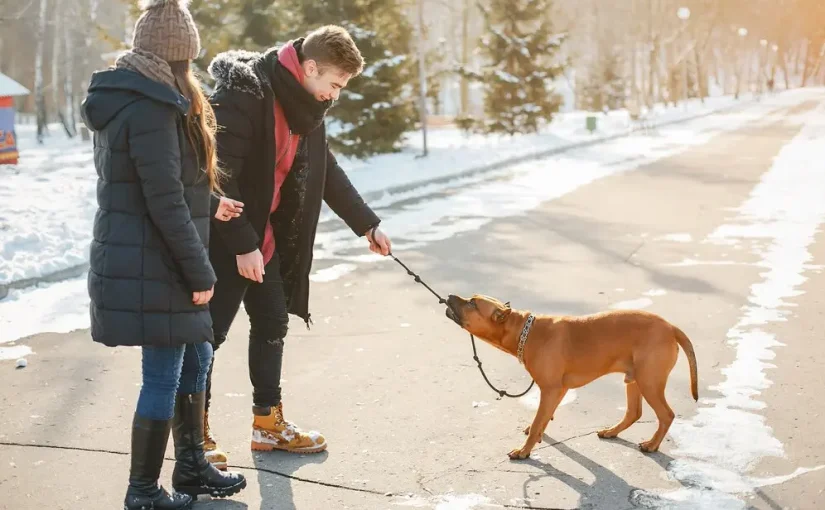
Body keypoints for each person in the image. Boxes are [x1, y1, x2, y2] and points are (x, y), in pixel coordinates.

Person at [201, 24, 392, 468]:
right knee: (206, 338)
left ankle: (268, 425)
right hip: (222, 235)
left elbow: (326, 170)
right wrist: (242, 244)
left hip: (265, 237)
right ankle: (196, 435)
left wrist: (367, 224)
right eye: (334, 84)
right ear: (309, 67)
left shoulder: (306, 105)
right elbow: (217, 176)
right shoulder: (245, 94)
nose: (335, 95)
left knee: (271, 324)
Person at [80, 1, 248, 507]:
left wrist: (212, 203)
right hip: (156, 260)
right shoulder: (152, 106)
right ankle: (143, 491)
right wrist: (199, 269)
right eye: (188, 59)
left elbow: (155, 181)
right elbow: (162, 198)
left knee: (197, 352)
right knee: (164, 371)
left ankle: (191, 468)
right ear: (177, 56)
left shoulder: (138, 97)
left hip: (154, 253)